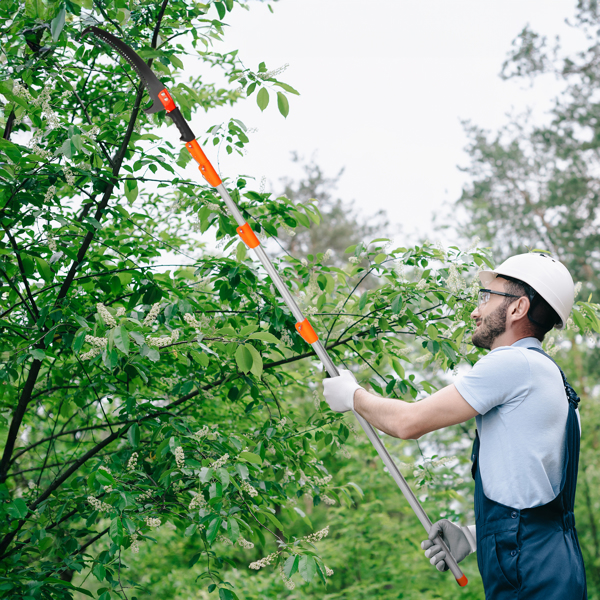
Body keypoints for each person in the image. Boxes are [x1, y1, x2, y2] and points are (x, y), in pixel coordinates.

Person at [323, 253, 587, 599]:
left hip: (530, 575)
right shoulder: (555, 383)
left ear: (517, 308)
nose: (476, 311)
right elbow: (535, 498)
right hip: (556, 567)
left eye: (487, 297)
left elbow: (407, 423)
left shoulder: (512, 363)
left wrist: (352, 395)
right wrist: (475, 535)